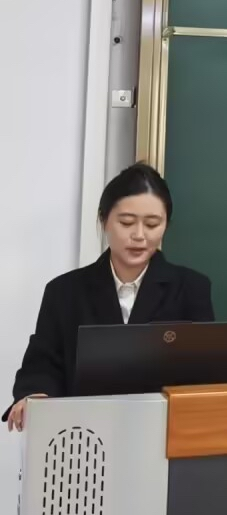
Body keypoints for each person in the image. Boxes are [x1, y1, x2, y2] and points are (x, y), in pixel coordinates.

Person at [4, 163, 214, 431]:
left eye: (152, 224)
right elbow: (42, 363)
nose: (139, 235)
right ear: (104, 220)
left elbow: (207, 373)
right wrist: (35, 395)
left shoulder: (191, 288)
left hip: (166, 434)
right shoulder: (64, 291)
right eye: (126, 222)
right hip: (82, 434)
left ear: (166, 226)